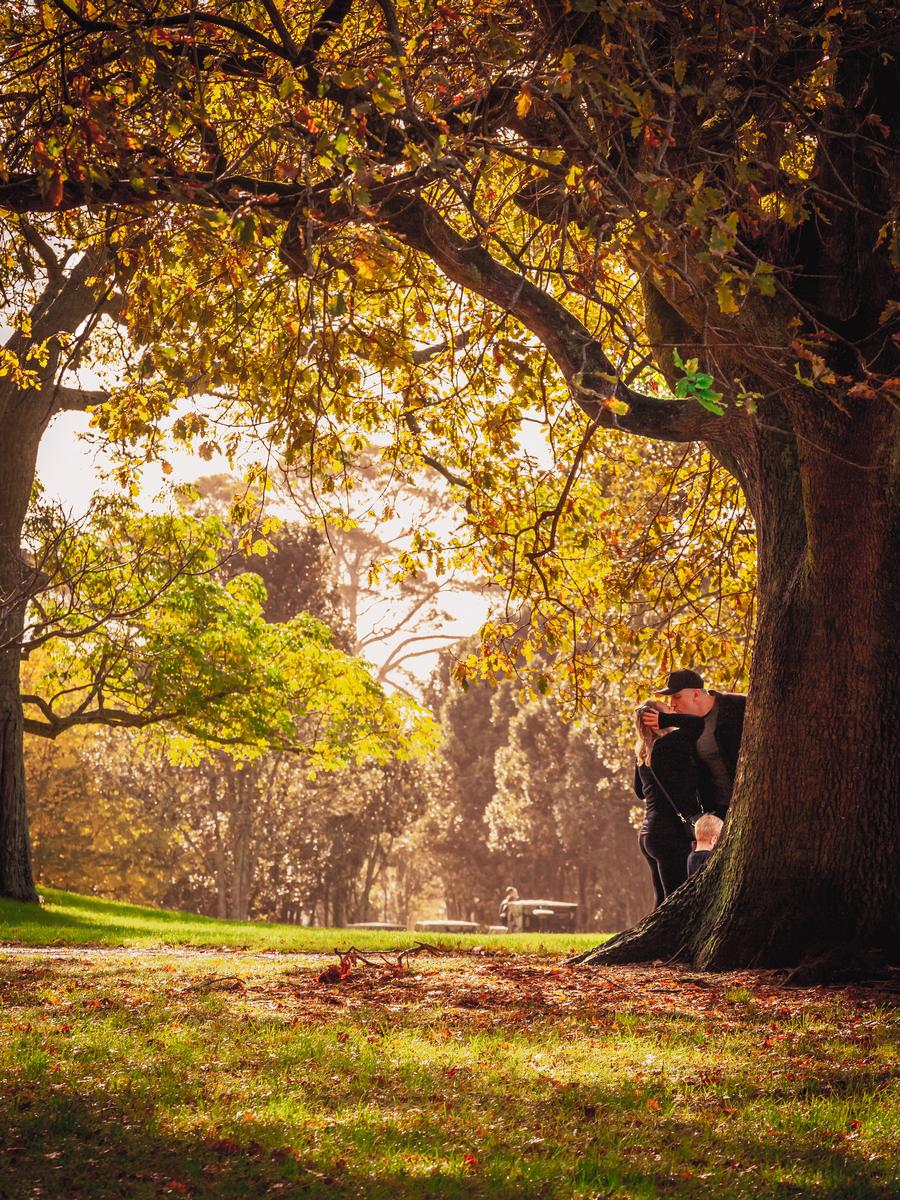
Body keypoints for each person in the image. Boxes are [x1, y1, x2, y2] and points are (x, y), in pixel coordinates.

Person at [641, 668, 747, 818]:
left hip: (753, 801)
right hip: (720, 812)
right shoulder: (686, 730)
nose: (672, 704)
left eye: (677, 697)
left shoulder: (737, 705)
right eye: (669, 699)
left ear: (696, 694)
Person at [633, 700, 703, 907]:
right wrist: (666, 720)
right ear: (657, 719)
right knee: (675, 901)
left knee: (662, 900)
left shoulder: (643, 752)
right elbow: (697, 724)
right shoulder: (671, 743)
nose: (672, 712)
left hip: (648, 834)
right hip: (669, 833)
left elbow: (639, 792)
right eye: (666, 711)